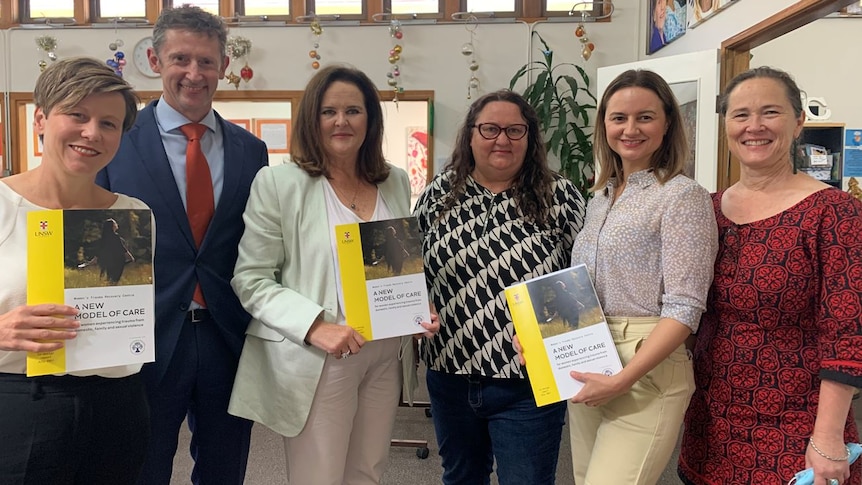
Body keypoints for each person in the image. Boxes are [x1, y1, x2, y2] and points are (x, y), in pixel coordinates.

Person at [227, 64, 439, 485]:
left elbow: (395, 258)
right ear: (312, 118)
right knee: (318, 475)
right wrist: (314, 326)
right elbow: (250, 278)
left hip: (385, 352)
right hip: (322, 356)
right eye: (328, 112)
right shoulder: (278, 182)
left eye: (353, 111)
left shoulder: (394, 180)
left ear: (370, 120)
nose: (341, 121)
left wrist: (418, 302)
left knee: (368, 470)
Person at [95, 5, 268, 484]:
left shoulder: (250, 150)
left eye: (207, 62)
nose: (194, 73)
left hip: (227, 334)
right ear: (155, 60)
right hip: (144, 334)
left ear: (224, 67)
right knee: (141, 465)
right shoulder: (117, 141)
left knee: (225, 466)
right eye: (181, 59)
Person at [678, 67, 862, 485]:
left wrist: (828, 437)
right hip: (710, 423)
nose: (754, 126)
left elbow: (848, 334)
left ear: (798, 122)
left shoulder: (833, 212)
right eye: (740, 115)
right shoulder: (705, 209)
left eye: (770, 112)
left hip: (797, 427)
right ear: (726, 125)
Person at [413, 89, 586, 485]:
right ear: (471, 135)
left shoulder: (559, 196)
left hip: (528, 380)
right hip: (450, 373)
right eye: (490, 128)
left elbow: (585, 276)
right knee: (461, 478)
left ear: (530, 138)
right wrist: (417, 304)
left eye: (515, 130)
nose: (502, 139)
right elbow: (413, 270)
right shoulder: (439, 195)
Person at [563, 69, 718, 484]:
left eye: (645, 117)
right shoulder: (599, 197)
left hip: (647, 363)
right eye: (619, 118)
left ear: (668, 124)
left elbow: (686, 307)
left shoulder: (683, 196)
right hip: (589, 349)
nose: (630, 129)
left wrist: (622, 378)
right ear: (604, 126)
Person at [0, 57, 150, 484]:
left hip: (118, 406)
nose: (92, 133)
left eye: (109, 123)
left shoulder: (132, 214)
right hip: (20, 402)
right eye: (78, 115)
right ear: (42, 120)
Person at [91, 218, 134, 285]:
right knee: (115, 280)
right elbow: (122, 248)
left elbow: (100, 249)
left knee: (110, 279)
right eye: (115, 223)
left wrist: (94, 259)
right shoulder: (115, 236)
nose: (116, 224)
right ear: (112, 226)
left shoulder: (104, 237)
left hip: (109, 262)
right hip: (118, 261)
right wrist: (130, 257)